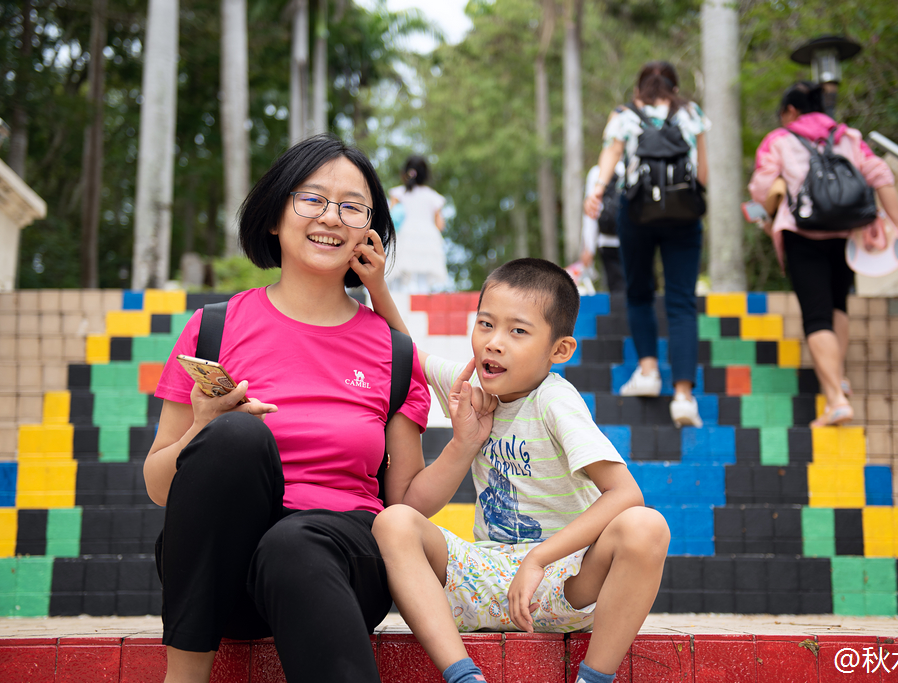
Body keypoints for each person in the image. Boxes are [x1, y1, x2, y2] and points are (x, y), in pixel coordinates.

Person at [143, 134, 482, 683]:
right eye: (312, 198)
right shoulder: (213, 328)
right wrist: (202, 429)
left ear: (369, 234)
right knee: (236, 439)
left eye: (352, 206)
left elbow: (404, 504)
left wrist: (464, 444)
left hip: (344, 564)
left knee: (294, 543)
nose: (331, 216)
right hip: (226, 577)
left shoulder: (394, 352)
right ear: (275, 216)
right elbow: (161, 487)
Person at [369, 258, 670, 683]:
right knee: (392, 521)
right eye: (486, 324)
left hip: (557, 579)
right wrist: (377, 285)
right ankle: (463, 677)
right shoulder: (471, 387)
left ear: (559, 351)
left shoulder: (554, 401)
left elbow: (625, 494)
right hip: (482, 578)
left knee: (647, 527)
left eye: (518, 331)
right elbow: (405, 350)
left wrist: (538, 559)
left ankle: (593, 679)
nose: (493, 343)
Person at [748, 81, 898, 427]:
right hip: (845, 233)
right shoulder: (847, 136)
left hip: (803, 234)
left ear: (790, 110)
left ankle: (835, 399)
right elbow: (879, 173)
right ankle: (839, 376)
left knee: (817, 316)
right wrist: (896, 224)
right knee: (838, 305)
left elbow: (761, 188)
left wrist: (768, 205)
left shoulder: (779, 139)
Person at [584, 61, 710, 427]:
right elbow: (702, 170)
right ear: (675, 87)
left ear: (639, 89)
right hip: (684, 214)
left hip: (636, 210)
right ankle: (684, 397)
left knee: (639, 291)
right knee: (682, 302)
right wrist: (695, 198)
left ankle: (649, 371)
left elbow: (610, 152)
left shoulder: (625, 114)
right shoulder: (692, 113)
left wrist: (597, 190)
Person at [386, 154, 450, 293]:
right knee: (423, 279)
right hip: (427, 237)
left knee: (398, 276)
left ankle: (397, 307)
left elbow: (390, 216)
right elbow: (440, 225)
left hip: (404, 235)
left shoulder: (398, 193)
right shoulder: (433, 196)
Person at [579, 162, 626, 296]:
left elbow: (591, 213)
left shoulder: (596, 172)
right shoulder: (632, 167)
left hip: (607, 242)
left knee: (617, 291)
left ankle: (621, 316)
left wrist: (589, 247)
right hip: (634, 240)